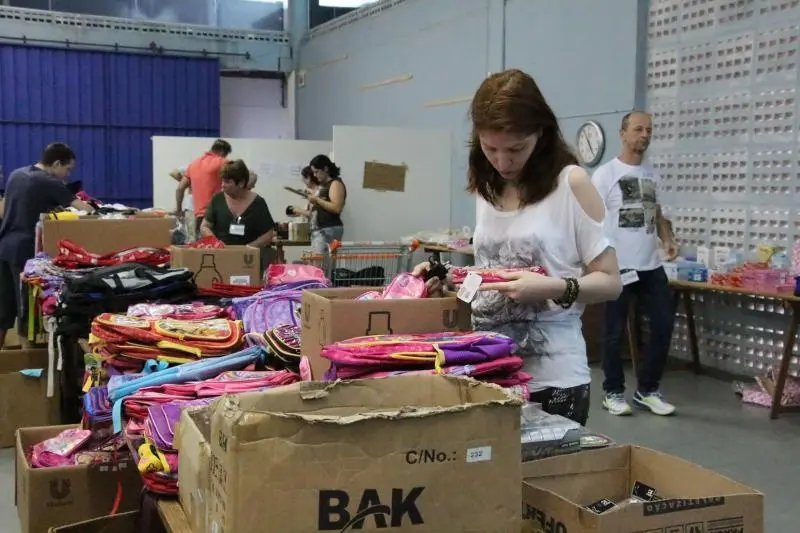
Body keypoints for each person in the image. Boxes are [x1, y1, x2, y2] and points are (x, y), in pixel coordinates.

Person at [413, 70, 622, 425]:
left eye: (515, 149)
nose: (502, 161)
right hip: (488, 369)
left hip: (552, 378)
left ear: (540, 134)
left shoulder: (572, 184)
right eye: (490, 148)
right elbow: (491, 273)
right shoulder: (488, 188)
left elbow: (611, 282)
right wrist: (448, 278)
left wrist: (553, 287)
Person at [592, 111, 679, 417]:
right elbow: (590, 220)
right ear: (623, 133)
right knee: (614, 332)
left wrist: (667, 239)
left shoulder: (652, 174)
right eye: (639, 129)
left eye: (649, 130)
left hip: (650, 265)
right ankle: (613, 392)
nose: (645, 135)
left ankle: (647, 391)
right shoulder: (605, 174)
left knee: (663, 325)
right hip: (618, 266)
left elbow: (657, 213)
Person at [0, 143, 94, 349]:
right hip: (24, 251)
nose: (67, 175)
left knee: (4, 307)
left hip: (5, 246)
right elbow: (84, 209)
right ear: (57, 163)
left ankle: (4, 359)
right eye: (67, 169)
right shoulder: (47, 181)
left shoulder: (16, 174)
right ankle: (27, 360)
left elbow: (4, 208)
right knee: (25, 308)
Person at [200, 160, 275, 273]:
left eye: (227, 182)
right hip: (220, 259)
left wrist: (248, 248)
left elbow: (268, 234)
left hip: (248, 262)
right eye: (222, 181)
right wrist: (216, 243)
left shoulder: (258, 203)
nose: (222, 185)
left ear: (241, 183)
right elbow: (204, 226)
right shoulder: (217, 199)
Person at [175, 139, 232, 232]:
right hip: (217, 215)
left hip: (199, 216)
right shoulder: (222, 162)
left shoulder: (193, 164)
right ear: (222, 152)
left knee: (201, 240)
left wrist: (179, 210)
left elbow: (179, 189)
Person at [307, 155, 345, 253]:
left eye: (316, 172)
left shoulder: (335, 183)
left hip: (328, 229)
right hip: (320, 229)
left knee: (324, 261)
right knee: (319, 261)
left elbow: (337, 208)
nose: (314, 175)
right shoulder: (323, 185)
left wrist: (317, 200)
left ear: (325, 168)